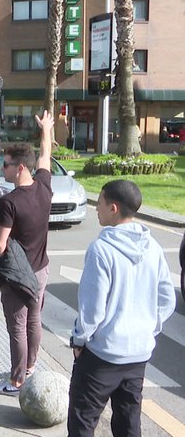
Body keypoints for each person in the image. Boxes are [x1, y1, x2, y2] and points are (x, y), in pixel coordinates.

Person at [67, 180, 175, 436]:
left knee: (83, 422)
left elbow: (93, 309)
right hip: (138, 354)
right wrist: (149, 328)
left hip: (102, 355)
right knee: (129, 423)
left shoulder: (101, 250)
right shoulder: (153, 247)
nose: (96, 208)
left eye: (100, 202)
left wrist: (79, 339)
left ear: (113, 208)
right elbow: (167, 299)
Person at [0, 111, 54, 396]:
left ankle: (16, 382)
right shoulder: (44, 188)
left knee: (17, 326)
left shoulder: (10, 202)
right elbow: (45, 157)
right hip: (40, 269)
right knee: (34, 319)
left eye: (7, 165)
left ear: (21, 168)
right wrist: (46, 131)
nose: (4, 168)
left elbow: (0, 244)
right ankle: (30, 367)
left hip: (16, 274)